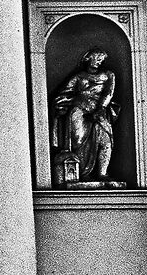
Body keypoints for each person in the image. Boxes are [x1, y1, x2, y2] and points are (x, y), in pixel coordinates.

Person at [50, 49, 119, 186]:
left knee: (106, 140)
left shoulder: (108, 75)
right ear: (88, 58)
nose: (99, 62)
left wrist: (100, 109)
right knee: (79, 139)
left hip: (99, 111)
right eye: (97, 58)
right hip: (80, 109)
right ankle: (82, 174)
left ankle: (102, 173)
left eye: (101, 59)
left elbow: (109, 93)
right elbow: (64, 93)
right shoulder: (78, 77)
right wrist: (61, 104)